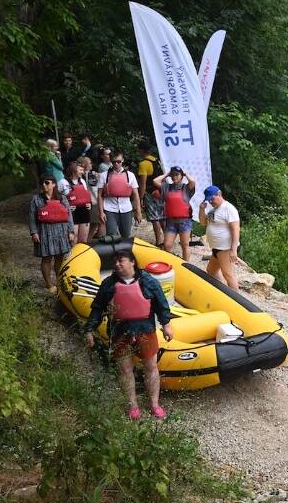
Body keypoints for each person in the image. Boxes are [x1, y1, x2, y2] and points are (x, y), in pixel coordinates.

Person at [84, 250, 173, 421]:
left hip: (145, 331)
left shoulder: (149, 282)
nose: (117, 264)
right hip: (119, 332)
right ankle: (133, 406)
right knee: (125, 369)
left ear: (132, 262)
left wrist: (166, 324)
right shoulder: (108, 285)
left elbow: (162, 305)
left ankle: (154, 404)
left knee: (151, 367)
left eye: (121, 260)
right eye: (115, 261)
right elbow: (97, 308)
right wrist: (89, 329)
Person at [28, 176, 76, 293]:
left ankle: (60, 282)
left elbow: (69, 216)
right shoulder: (36, 199)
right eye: (42, 183)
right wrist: (34, 232)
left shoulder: (62, 198)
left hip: (61, 231)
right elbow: (32, 218)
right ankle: (49, 284)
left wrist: (71, 231)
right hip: (45, 232)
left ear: (54, 184)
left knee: (60, 257)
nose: (44, 185)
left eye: (47, 183)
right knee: (47, 258)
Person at [199, 185, 240, 290]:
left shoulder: (228, 208)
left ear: (219, 194)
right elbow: (203, 223)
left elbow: (235, 229)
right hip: (217, 248)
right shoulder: (213, 210)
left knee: (228, 274)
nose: (211, 202)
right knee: (211, 271)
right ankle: (223, 290)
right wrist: (201, 210)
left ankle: (236, 301)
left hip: (225, 248)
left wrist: (233, 250)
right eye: (209, 200)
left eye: (212, 199)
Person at [153, 166, 196, 261]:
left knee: (185, 245)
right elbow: (155, 181)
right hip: (171, 222)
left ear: (181, 176)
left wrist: (185, 173)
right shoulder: (166, 187)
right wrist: (167, 174)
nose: (174, 177)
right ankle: (168, 263)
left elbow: (192, 181)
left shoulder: (186, 188)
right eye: (172, 175)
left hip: (185, 222)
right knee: (167, 245)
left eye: (177, 174)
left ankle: (186, 266)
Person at [97, 151, 142, 239]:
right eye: (114, 162)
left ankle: (124, 252)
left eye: (119, 161)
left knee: (126, 234)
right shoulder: (104, 175)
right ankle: (114, 252)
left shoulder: (130, 175)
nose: (116, 164)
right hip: (109, 208)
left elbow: (136, 195)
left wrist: (138, 212)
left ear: (123, 160)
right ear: (110, 161)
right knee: (112, 235)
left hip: (126, 208)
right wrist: (101, 212)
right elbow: (100, 195)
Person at [137, 144, 164, 245]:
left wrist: (141, 197)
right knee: (161, 217)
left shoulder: (143, 164)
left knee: (154, 218)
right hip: (160, 192)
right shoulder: (157, 161)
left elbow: (143, 183)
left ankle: (159, 241)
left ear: (142, 151)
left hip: (150, 193)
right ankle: (167, 238)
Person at [64, 160, 91, 244]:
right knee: (73, 238)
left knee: (83, 239)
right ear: (74, 170)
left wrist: (89, 204)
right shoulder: (63, 182)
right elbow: (58, 199)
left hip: (84, 211)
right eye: (80, 170)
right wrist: (66, 207)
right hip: (72, 213)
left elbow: (85, 195)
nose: (82, 172)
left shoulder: (82, 181)